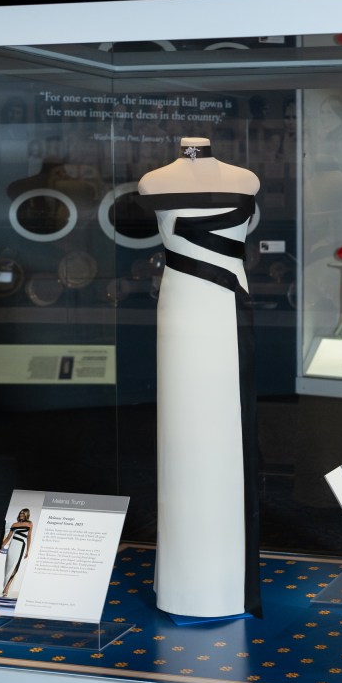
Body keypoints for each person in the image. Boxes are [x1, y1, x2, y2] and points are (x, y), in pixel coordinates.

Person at [138, 136, 262, 619]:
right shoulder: (154, 181)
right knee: (184, 435)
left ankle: (218, 582)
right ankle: (188, 583)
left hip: (211, 304)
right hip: (190, 308)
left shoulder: (245, 178)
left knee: (223, 433)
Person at [0, 508, 34, 598]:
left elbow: (29, 537)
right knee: (8, 567)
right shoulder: (14, 524)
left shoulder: (29, 524)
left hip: (21, 546)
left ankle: (6, 589)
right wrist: (0, 547)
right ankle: (5, 586)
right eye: (20, 513)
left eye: (23, 514)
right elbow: (8, 538)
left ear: (26, 515)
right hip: (12, 546)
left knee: (15, 568)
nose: (21, 515)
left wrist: (28, 550)